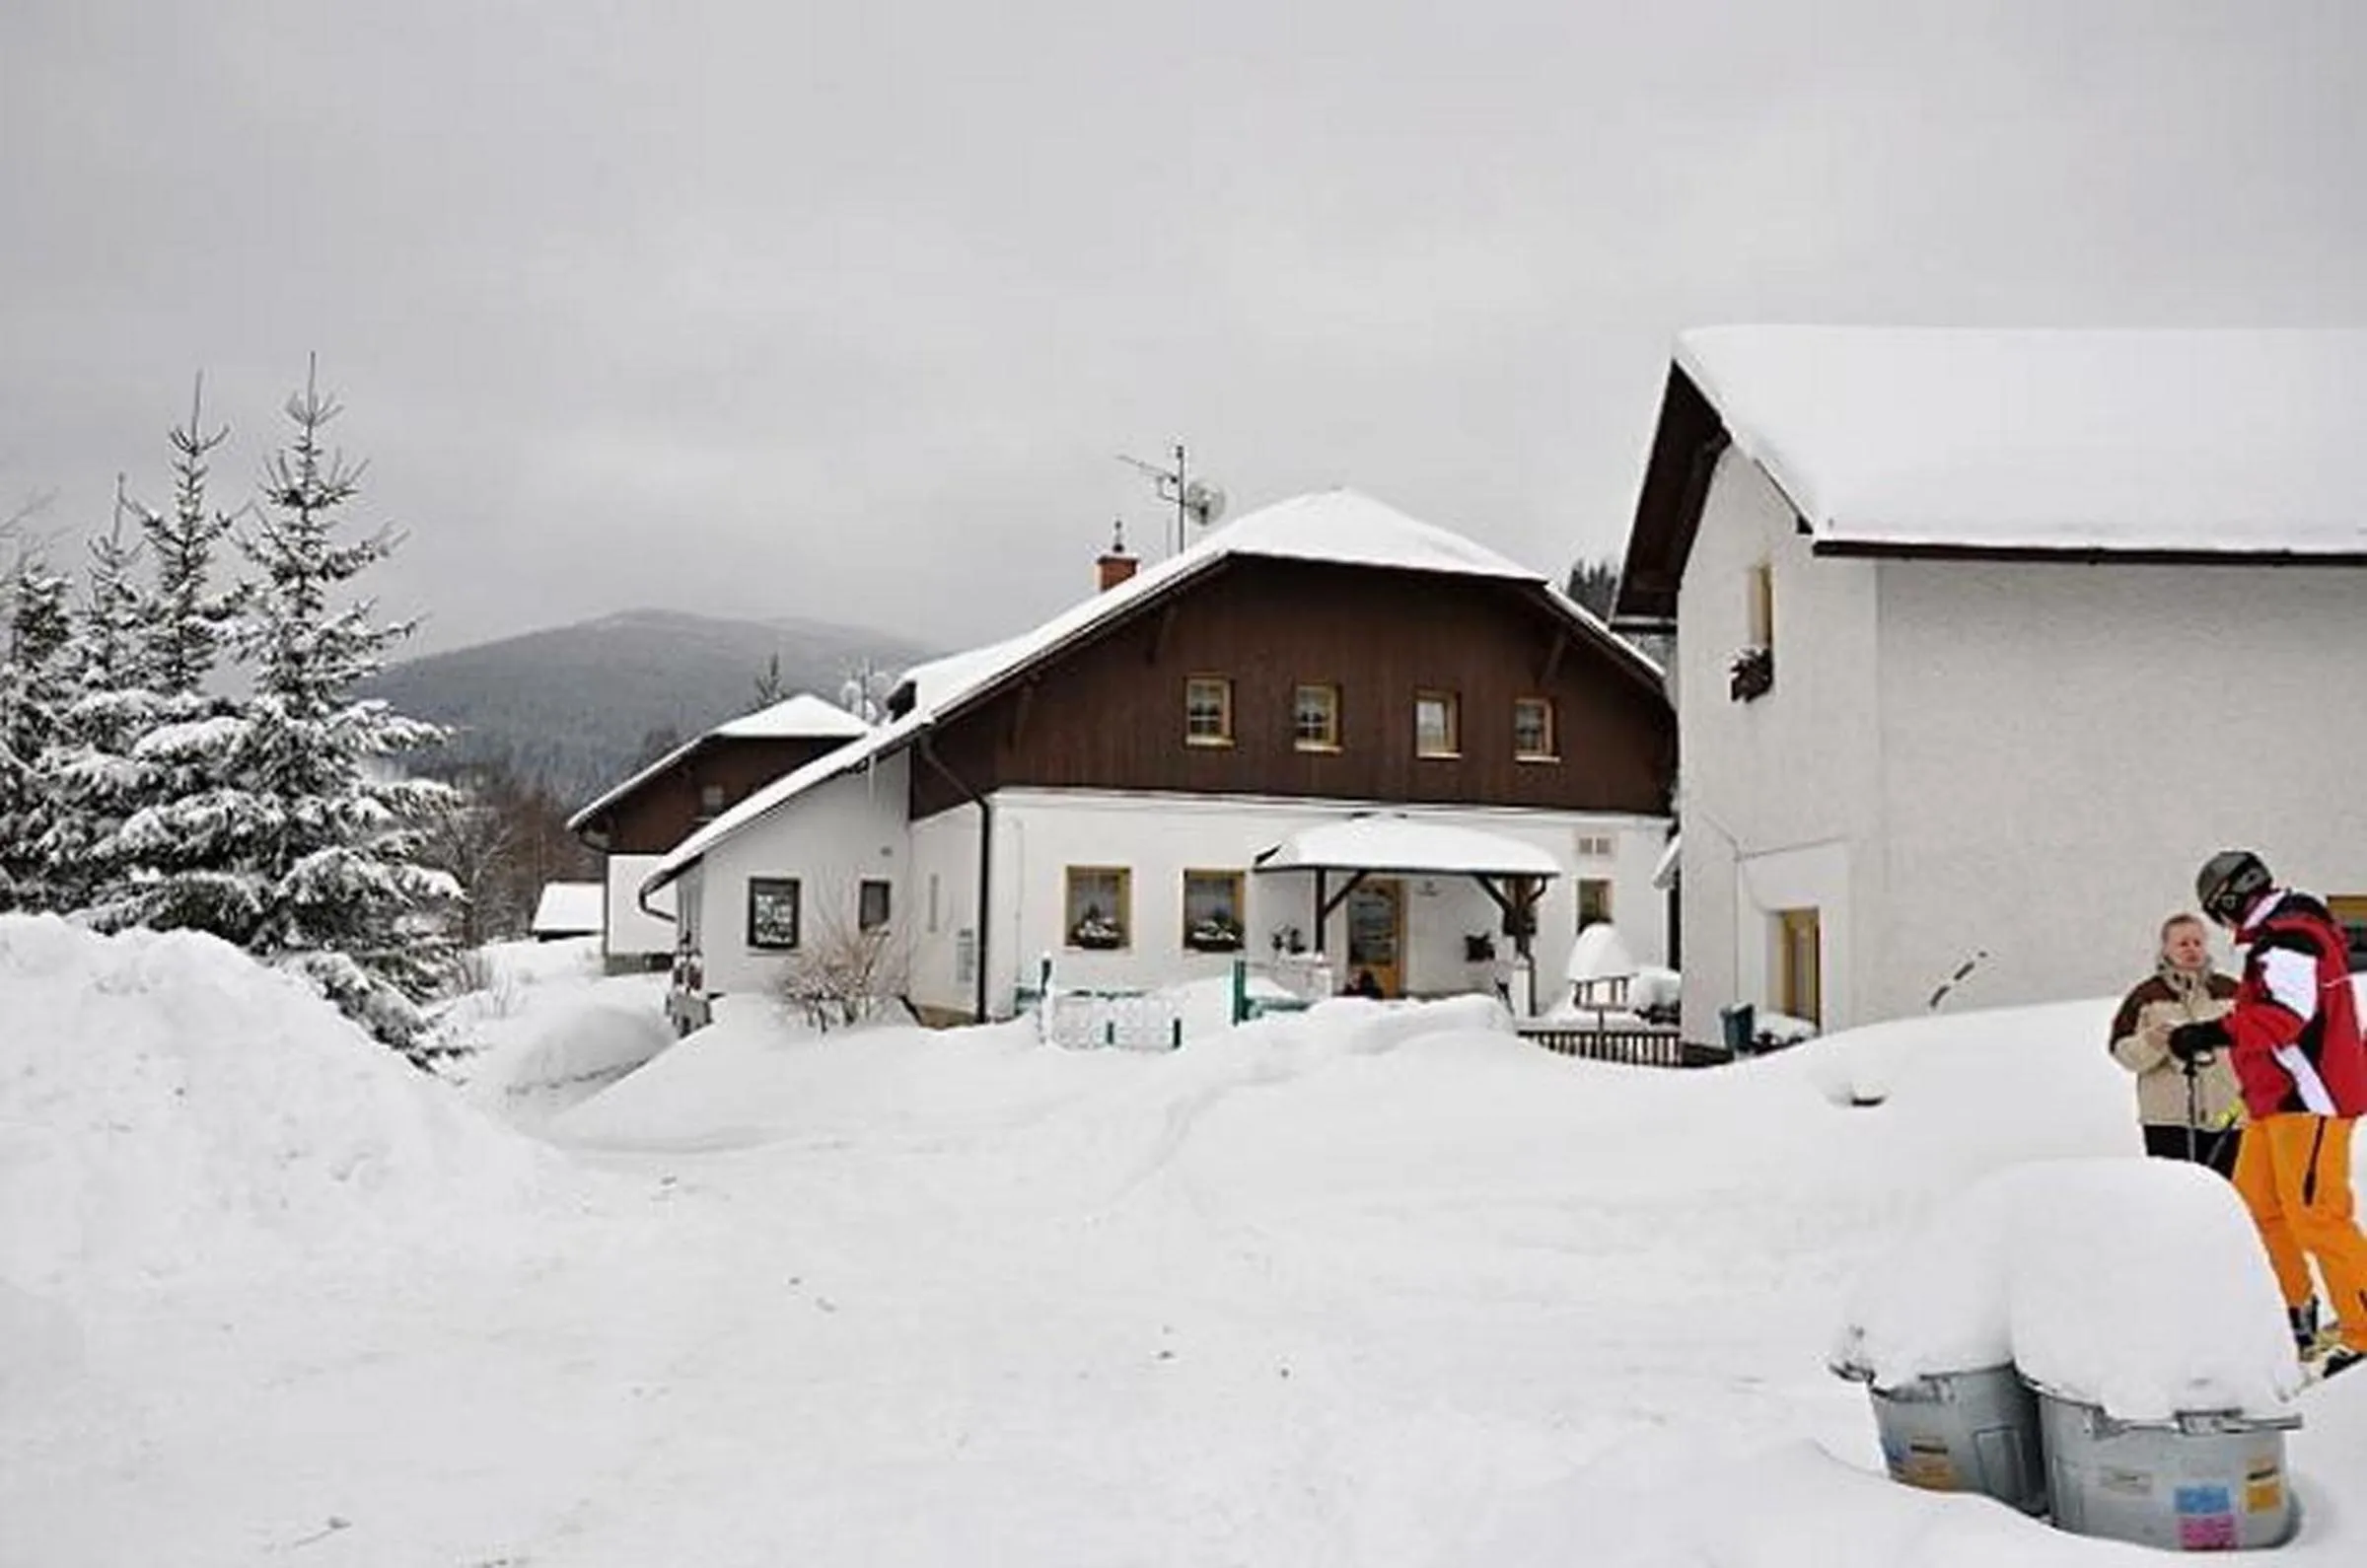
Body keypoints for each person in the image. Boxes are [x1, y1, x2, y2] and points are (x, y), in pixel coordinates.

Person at [2171, 850, 2367, 1379]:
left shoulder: (2290, 939)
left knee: (2318, 1217)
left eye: (2218, 911)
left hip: (2310, 1099)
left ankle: (2365, 1331)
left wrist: (2211, 1032)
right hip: (2274, 1101)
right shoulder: (2276, 938)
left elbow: (2286, 1017)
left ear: (2231, 899)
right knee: (2259, 1207)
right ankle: (2296, 1310)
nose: (2222, 923)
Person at [2109, 912, 2243, 1176]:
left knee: (2226, 1192)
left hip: (2228, 1115)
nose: (2191, 949)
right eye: (2182, 944)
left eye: (2197, 942)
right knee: (2175, 1190)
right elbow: (2122, 1051)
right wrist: (2152, 1042)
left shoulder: (2232, 992)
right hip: (2168, 1120)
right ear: (2166, 949)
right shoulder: (2146, 997)